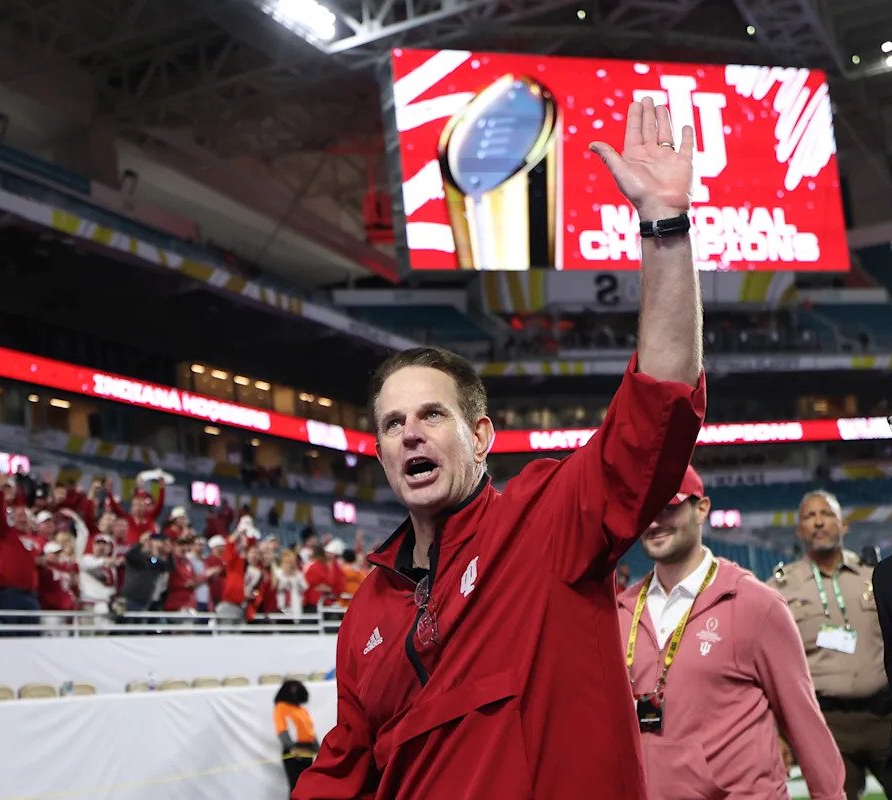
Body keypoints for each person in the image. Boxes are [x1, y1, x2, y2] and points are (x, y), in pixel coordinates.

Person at [294, 98, 705, 798]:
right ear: (383, 453)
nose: (410, 432)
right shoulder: (368, 610)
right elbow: (344, 768)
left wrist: (664, 228)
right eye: (393, 424)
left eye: (432, 415)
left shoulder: (547, 523)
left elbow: (658, 408)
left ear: (481, 436)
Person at [619, 466, 844, 798]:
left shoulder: (756, 604)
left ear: (701, 509)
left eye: (668, 507)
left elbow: (803, 720)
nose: (653, 522)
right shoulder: (621, 611)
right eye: (645, 509)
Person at [769, 490, 890, 800]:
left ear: (844, 525)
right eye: (810, 516)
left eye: (826, 514)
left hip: (885, 716)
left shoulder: (874, 576)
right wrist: (778, 733)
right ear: (799, 530)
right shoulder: (779, 589)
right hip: (826, 722)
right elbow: (770, 668)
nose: (819, 522)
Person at [274, 680, 318, 796]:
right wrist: (292, 748)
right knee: (296, 786)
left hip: (307, 751)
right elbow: (282, 729)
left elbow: (310, 730)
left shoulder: (303, 710)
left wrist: (317, 748)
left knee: (308, 786)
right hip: (294, 753)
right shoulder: (281, 707)